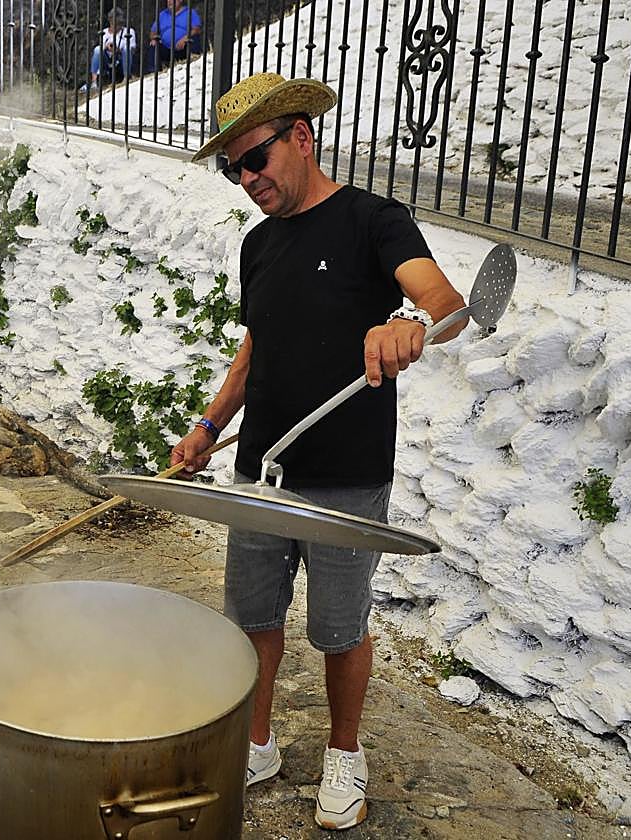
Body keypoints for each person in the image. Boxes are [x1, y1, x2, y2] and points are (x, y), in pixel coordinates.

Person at [170, 72, 467, 831]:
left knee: (339, 628)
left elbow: (447, 304)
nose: (246, 179)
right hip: (260, 469)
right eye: (231, 168)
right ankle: (257, 742)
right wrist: (207, 428)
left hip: (345, 474)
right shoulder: (258, 245)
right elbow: (255, 350)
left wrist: (408, 323)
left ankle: (344, 754)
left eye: (255, 159)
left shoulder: (374, 221)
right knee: (252, 620)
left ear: (300, 138)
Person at [80, 7, 134, 93]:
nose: (116, 27)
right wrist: (106, 46)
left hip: (121, 61)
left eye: (119, 24)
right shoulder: (104, 32)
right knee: (98, 49)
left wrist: (118, 50)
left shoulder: (129, 31)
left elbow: (131, 48)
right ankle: (94, 81)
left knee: (126, 49)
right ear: (110, 22)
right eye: (114, 24)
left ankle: (126, 78)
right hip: (107, 61)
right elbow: (99, 51)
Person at [144, 0, 200, 74]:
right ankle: (154, 72)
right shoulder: (162, 15)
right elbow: (152, 33)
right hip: (167, 49)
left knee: (193, 38)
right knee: (154, 45)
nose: (170, 2)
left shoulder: (190, 12)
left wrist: (184, 38)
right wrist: (154, 38)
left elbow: (196, 29)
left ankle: (194, 62)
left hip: (184, 47)